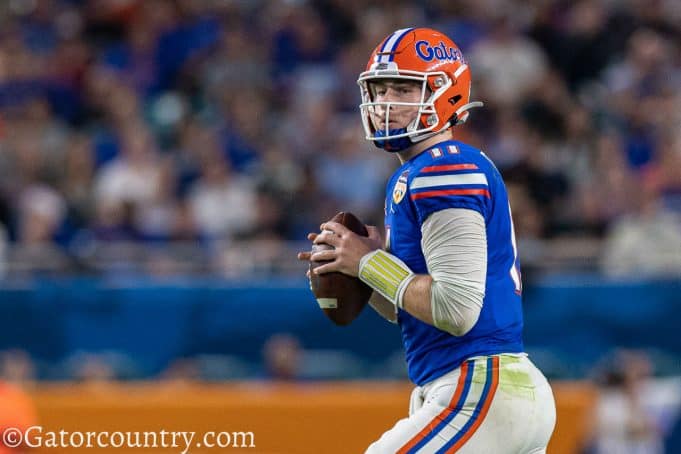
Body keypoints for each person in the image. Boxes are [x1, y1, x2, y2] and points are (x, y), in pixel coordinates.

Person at [298, 28, 556, 453]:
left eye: (402, 89)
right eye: (379, 91)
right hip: (484, 389)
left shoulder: (441, 171)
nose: (385, 104)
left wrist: (368, 263)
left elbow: (456, 309)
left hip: (479, 387)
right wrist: (360, 266)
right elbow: (416, 313)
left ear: (446, 93)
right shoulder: (420, 173)